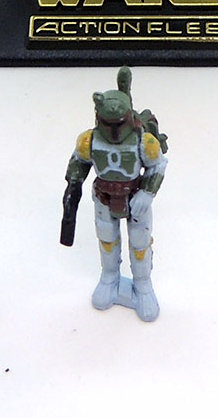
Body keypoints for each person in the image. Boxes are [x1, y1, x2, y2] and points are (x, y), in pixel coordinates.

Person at [61, 67, 167, 322]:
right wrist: (73, 185)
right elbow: (78, 162)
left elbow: (158, 165)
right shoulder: (89, 140)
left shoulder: (144, 141)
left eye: (118, 123)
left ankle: (143, 284)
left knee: (140, 242)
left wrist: (147, 193)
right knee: (107, 238)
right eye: (108, 124)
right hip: (103, 196)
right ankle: (109, 277)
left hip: (135, 197)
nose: (114, 131)